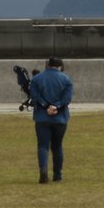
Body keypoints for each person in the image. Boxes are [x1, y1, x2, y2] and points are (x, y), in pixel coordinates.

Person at [28, 55, 74, 183]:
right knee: (57, 146)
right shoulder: (66, 79)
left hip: (42, 117)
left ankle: (43, 172)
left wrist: (46, 106)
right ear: (60, 66)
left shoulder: (37, 79)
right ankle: (57, 175)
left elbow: (35, 96)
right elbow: (67, 98)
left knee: (43, 146)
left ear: (48, 65)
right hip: (60, 118)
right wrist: (56, 106)